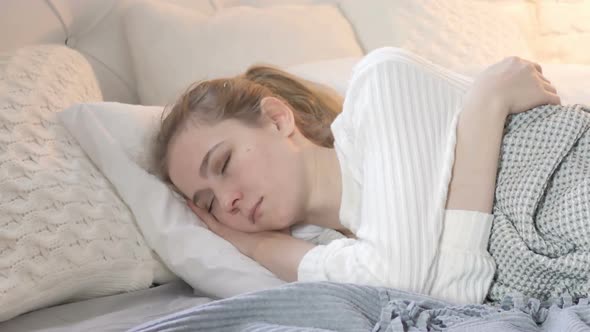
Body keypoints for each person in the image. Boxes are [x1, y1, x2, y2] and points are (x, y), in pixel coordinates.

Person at [153, 47, 560, 305]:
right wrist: (483, 111)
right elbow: (453, 295)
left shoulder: (381, 82)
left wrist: (255, 245)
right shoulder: (335, 249)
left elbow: (405, 280)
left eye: (223, 164)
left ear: (278, 119)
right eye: (208, 203)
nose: (227, 202)